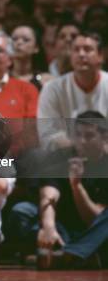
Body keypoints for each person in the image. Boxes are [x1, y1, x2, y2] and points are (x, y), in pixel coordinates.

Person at [6, 111, 108, 268]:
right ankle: (72, 255)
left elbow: (94, 220)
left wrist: (76, 186)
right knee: (21, 211)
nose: (82, 141)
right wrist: (48, 227)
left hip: (92, 232)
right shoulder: (62, 156)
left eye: (89, 136)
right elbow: (49, 193)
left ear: (104, 138)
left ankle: (68, 255)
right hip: (61, 228)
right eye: (78, 135)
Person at [38, 32, 108, 152]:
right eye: (76, 50)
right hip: (66, 157)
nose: (81, 54)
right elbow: (47, 136)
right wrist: (82, 145)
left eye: (88, 49)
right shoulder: (52, 89)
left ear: (101, 56)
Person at [11, 25, 53, 91]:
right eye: (14, 39)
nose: (19, 42)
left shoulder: (46, 80)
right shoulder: (0, 78)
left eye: (26, 40)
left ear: (36, 47)